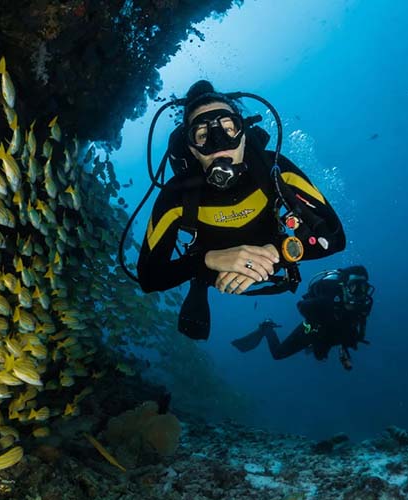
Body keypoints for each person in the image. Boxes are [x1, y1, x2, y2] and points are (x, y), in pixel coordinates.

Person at [136, 80, 346, 339]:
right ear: (191, 148)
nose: (218, 143)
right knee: (199, 276)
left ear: (244, 134)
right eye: (202, 135)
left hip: (275, 256)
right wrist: (206, 261)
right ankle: (199, 283)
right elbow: (149, 277)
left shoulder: (276, 170)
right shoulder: (176, 195)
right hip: (212, 271)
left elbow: (335, 238)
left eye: (228, 128)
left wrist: (278, 252)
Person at [231, 266, 374, 370]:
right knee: (278, 354)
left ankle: (317, 346)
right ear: (344, 287)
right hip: (313, 329)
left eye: (364, 288)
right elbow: (301, 305)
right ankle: (267, 327)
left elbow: (355, 328)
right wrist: (319, 317)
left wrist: (345, 346)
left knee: (320, 356)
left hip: (330, 334)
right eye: (355, 287)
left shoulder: (363, 306)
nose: (360, 293)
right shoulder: (326, 300)